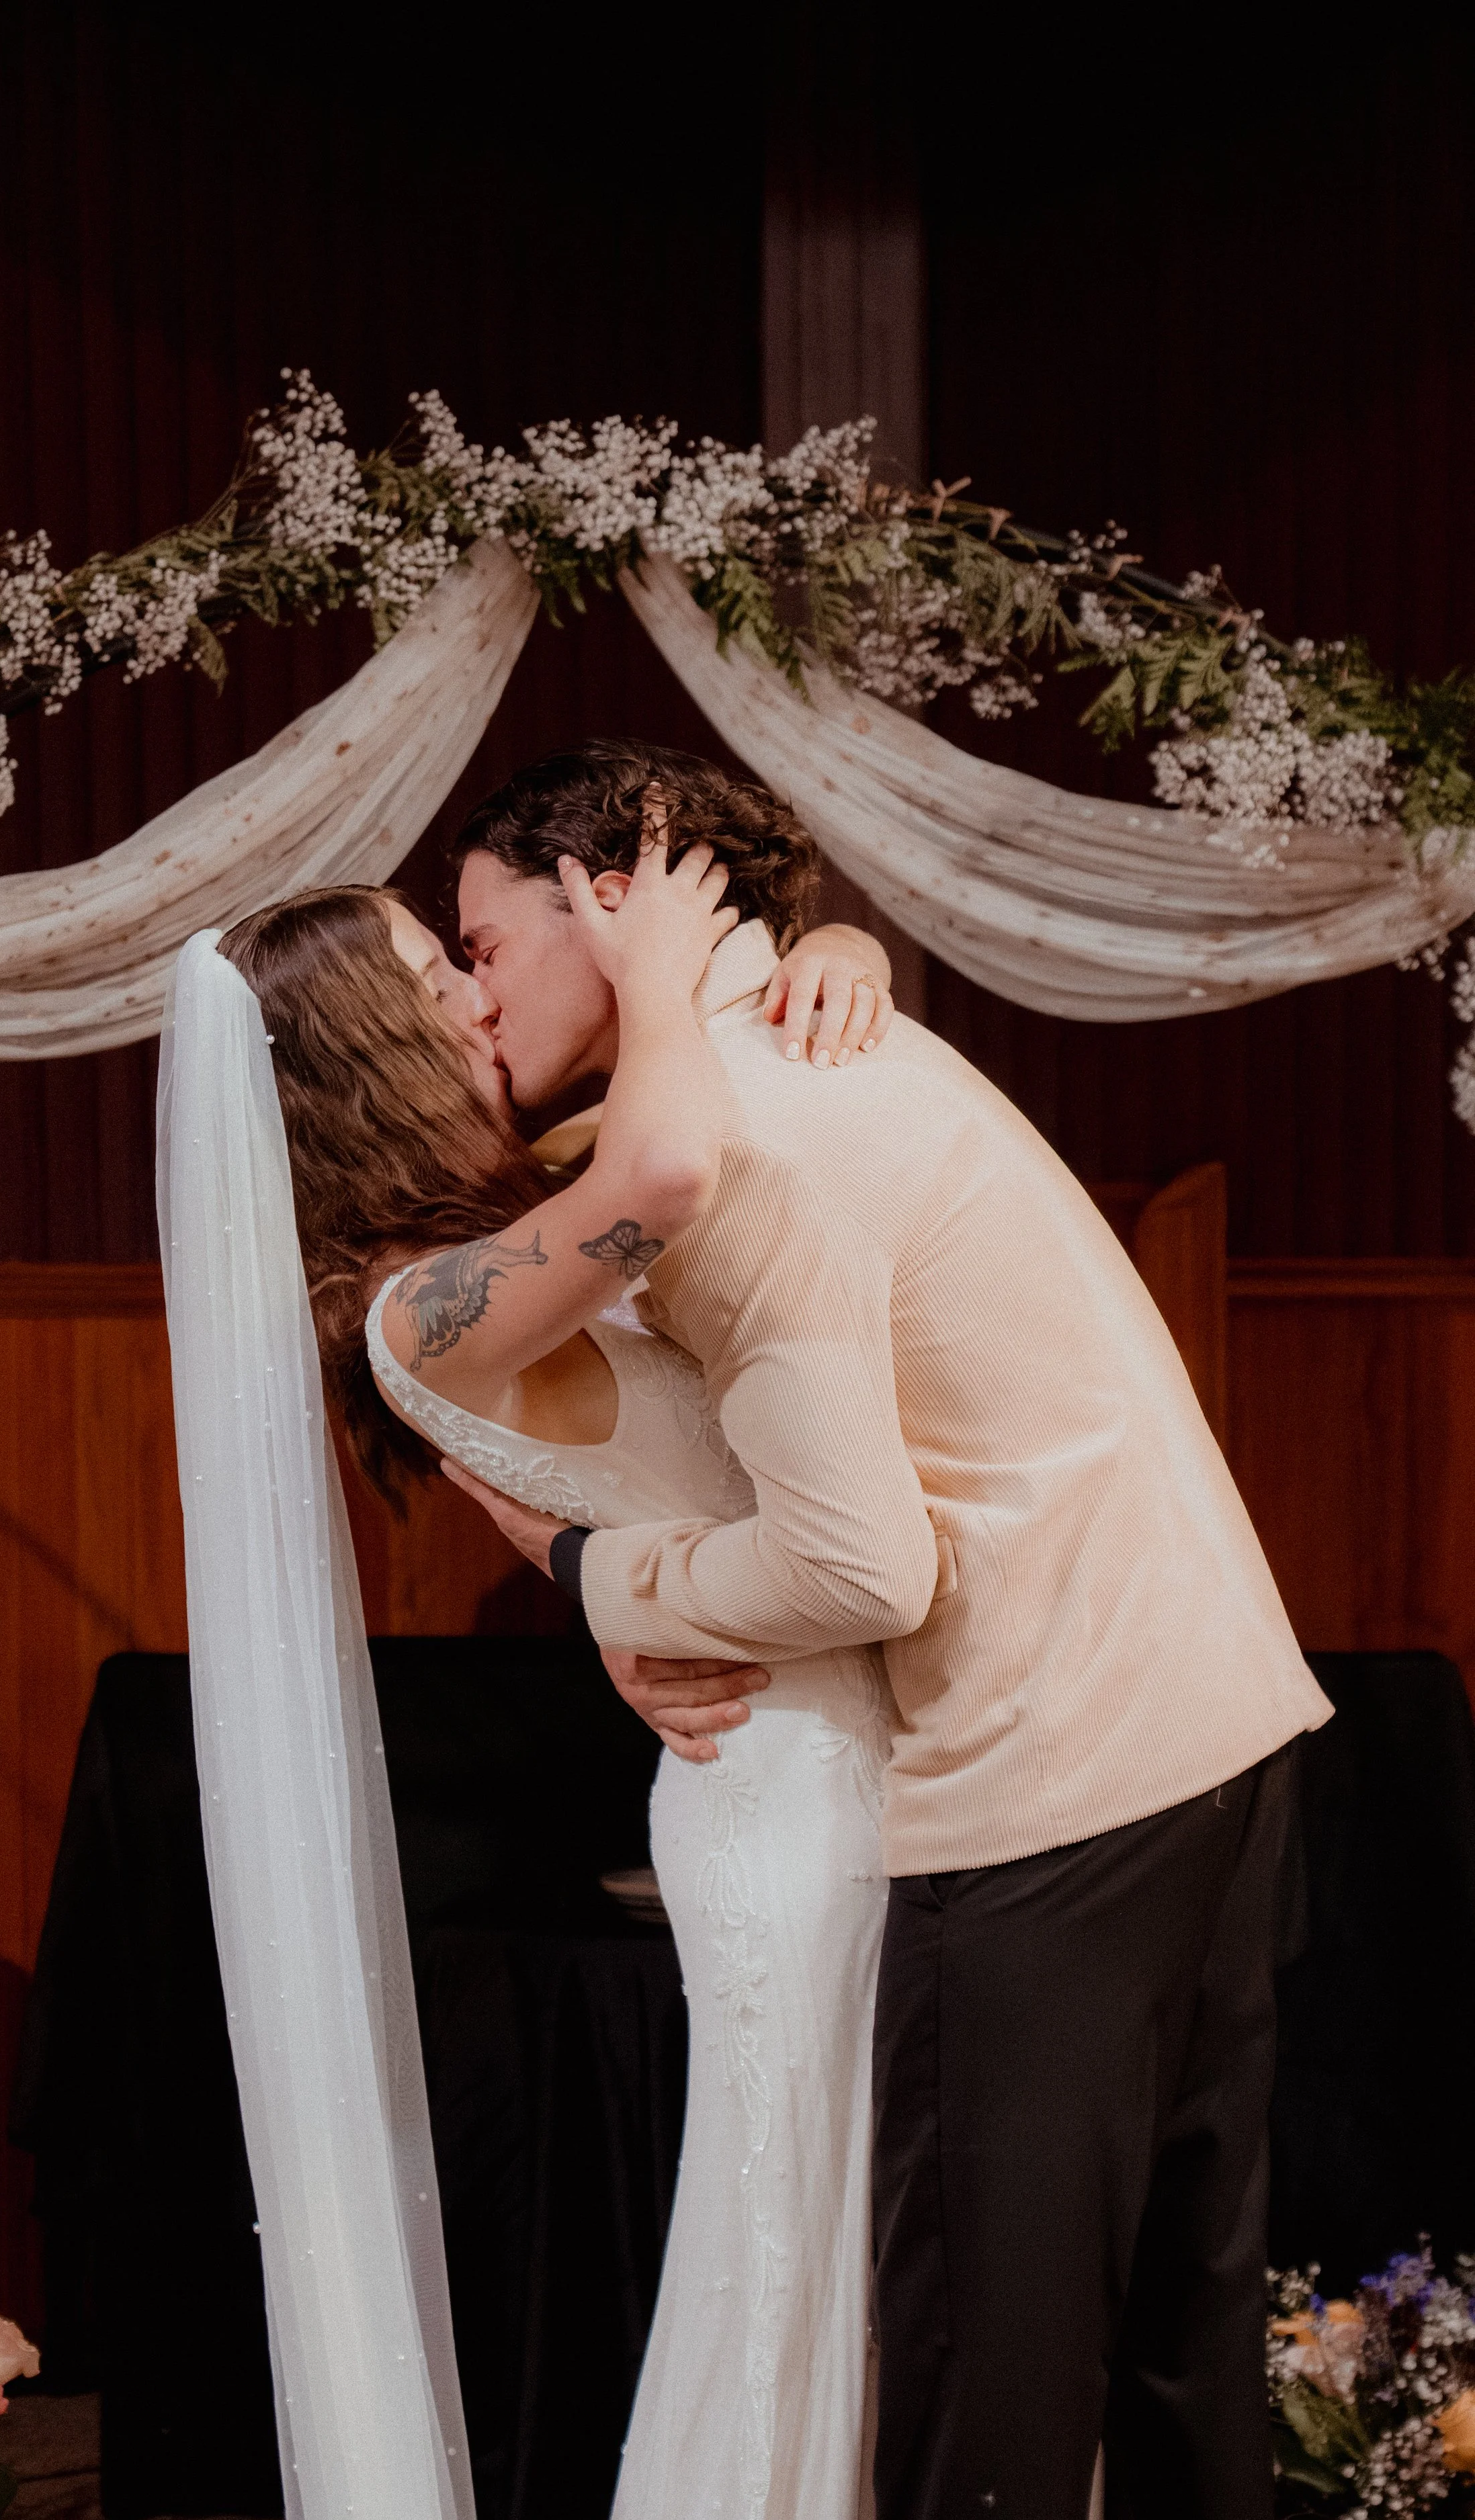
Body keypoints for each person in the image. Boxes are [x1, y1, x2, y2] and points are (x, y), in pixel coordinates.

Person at [437, 737, 1336, 2520]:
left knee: (977, 2399)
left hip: (1053, 1780)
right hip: (1220, 1726)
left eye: (480, 943)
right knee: (1178, 2363)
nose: (472, 990)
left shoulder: (734, 1138)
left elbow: (860, 1573)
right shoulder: (825, 1043)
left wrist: (600, 1588)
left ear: (607, 903)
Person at [216, 837, 911, 2520]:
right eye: (429, 970)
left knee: (861, 2250)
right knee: (794, 2256)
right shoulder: (412, 1314)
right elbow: (672, 1172)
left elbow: (575, 1522)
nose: (477, 989)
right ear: (367, 1047)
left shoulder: (495, 1238)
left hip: (819, 1744)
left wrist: (839, 954)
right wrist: (666, 969)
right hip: (786, 1790)